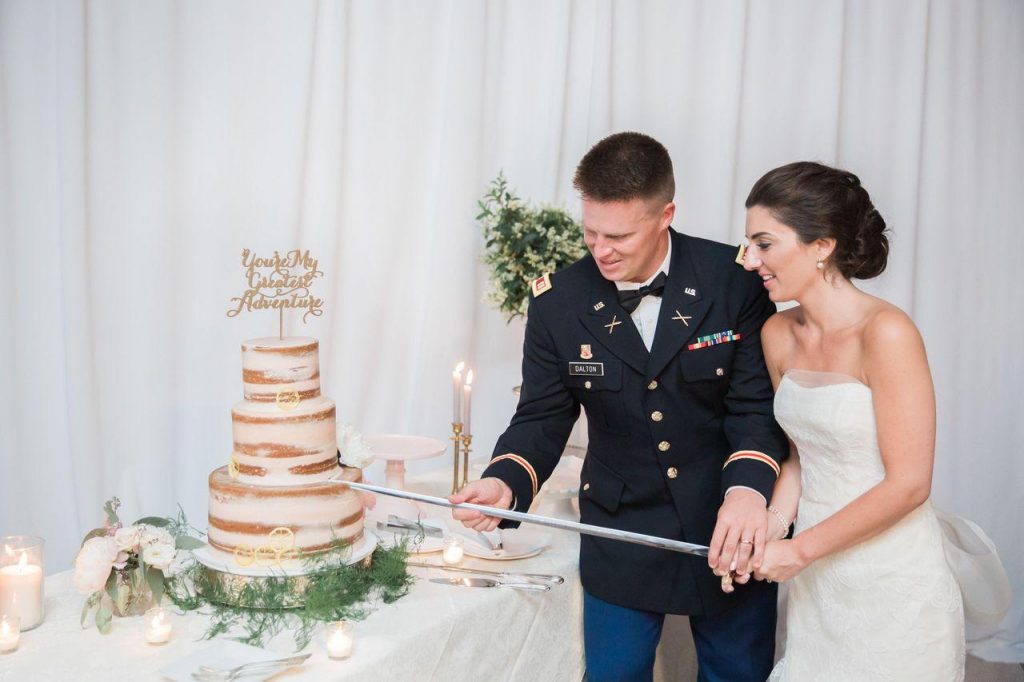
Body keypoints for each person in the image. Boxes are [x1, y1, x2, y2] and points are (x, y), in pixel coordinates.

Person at [451, 132, 788, 681]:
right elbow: (542, 415)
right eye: (590, 231)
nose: (599, 249)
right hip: (620, 525)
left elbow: (754, 407)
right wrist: (505, 481)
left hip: (727, 519)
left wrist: (749, 495)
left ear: (665, 215)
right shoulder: (558, 302)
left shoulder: (735, 280)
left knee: (738, 673)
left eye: (618, 235)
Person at [737, 161, 966, 679]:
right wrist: (767, 531)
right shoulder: (777, 334)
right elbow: (798, 455)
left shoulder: (886, 333)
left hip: (892, 579)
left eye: (764, 244)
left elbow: (910, 484)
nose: (750, 260)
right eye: (749, 243)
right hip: (818, 583)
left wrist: (798, 550)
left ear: (822, 245)